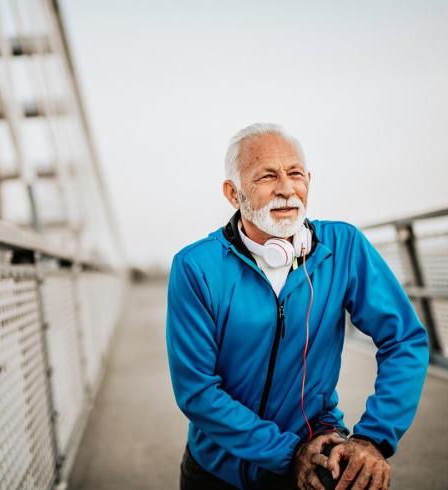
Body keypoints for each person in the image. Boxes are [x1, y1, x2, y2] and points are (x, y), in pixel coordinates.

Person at [166, 123, 429, 490]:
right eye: (267, 176)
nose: (287, 189)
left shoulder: (344, 246)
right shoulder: (196, 267)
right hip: (218, 469)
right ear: (233, 193)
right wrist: (288, 453)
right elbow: (196, 390)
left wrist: (373, 439)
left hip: (318, 448)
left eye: (295, 174)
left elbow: (403, 339)